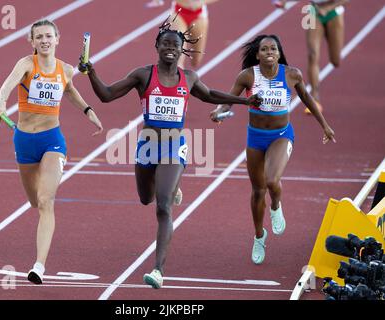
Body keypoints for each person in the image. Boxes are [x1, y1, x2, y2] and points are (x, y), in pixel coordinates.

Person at [78, 19, 262, 288]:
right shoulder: (143, 75)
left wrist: (243, 101)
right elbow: (106, 95)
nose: (170, 49)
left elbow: (209, 94)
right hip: (148, 144)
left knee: (163, 206)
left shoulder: (188, 78)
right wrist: (91, 72)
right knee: (145, 198)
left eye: (175, 45)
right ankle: (171, 187)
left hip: (174, 147)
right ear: (157, 46)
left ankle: (158, 270)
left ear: (181, 50)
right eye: (165, 44)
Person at [0, 19, 103, 285]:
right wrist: (0, 102)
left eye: (48, 36)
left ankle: (39, 266)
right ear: (32, 42)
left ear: (57, 39)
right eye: (39, 36)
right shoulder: (26, 64)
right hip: (24, 141)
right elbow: (8, 85)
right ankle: (39, 258)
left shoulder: (65, 69)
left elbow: (70, 91)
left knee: (46, 200)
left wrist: (89, 111)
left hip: (52, 141)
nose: (44, 40)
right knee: (34, 201)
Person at [210, 34, 336, 265]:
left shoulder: (291, 74)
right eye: (264, 49)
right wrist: (219, 112)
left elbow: (307, 99)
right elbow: (229, 99)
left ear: (279, 53)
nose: (269, 52)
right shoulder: (248, 76)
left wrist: (325, 126)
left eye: (273, 49)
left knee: (271, 180)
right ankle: (259, 236)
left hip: (281, 135)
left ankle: (276, 206)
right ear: (257, 55)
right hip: (256, 138)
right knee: (258, 191)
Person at [273, 0, 349, 114]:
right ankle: (315, 99)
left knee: (335, 61)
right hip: (312, 11)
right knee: (312, 54)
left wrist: (328, 8)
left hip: (334, 12)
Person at [145, 0, 220, 69]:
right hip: (178, 13)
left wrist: (202, 1)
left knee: (196, 61)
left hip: (199, 16)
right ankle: (179, 81)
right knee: (177, 58)